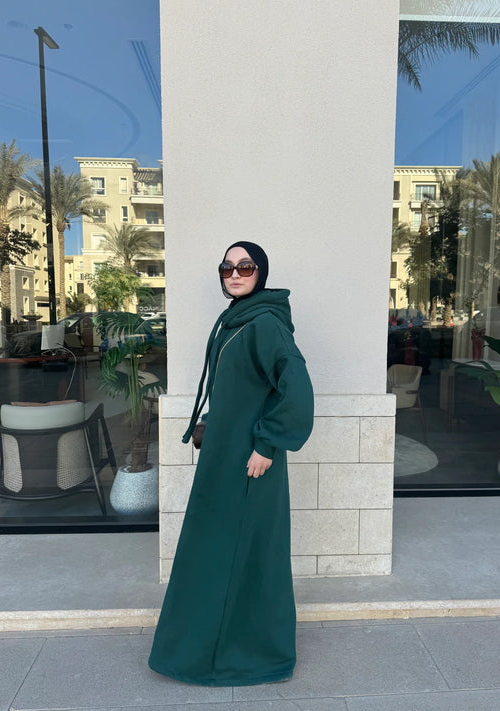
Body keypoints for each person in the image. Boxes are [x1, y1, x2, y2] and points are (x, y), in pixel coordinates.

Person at [149, 241, 314, 687]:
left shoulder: (264, 323)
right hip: (225, 455)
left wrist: (268, 444)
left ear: (261, 272)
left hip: (250, 461)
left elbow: (295, 387)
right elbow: (240, 386)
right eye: (227, 267)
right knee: (214, 547)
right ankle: (204, 647)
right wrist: (211, 421)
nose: (235, 274)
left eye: (245, 266)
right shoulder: (235, 320)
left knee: (246, 550)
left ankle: (245, 655)